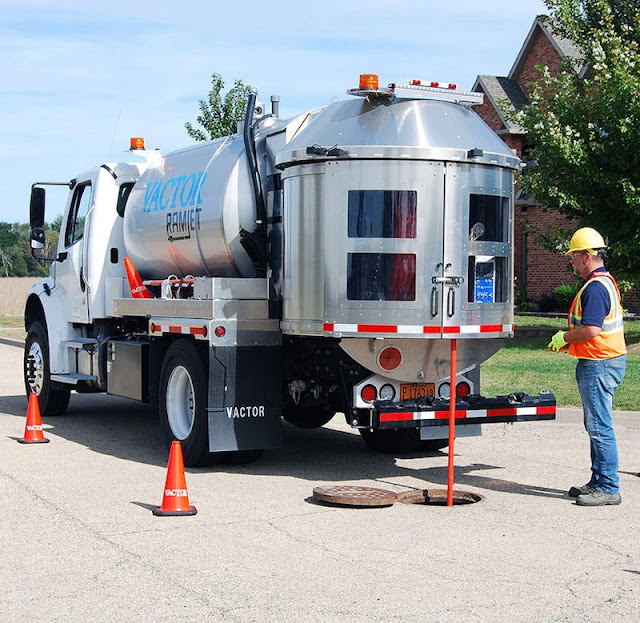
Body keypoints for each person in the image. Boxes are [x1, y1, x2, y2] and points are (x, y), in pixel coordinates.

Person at [548, 227, 627, 506]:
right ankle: (598, 481)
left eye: (573, 256)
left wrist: (564, 337)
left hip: (600, 363)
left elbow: (592, 329)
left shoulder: (595, 287)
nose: (571, 261)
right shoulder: (605, 282)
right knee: (595, 424)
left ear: (586, 256)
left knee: (599, 426)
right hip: (605, 361)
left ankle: (607, 487)